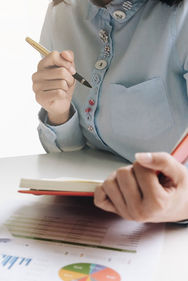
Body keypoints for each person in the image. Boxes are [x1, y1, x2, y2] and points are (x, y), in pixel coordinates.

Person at [32, 0, 188, 222]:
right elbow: (70, 160)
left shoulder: (181, 18)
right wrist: (58, 113)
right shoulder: (62, 12)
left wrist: (180, 206)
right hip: (88, 214)